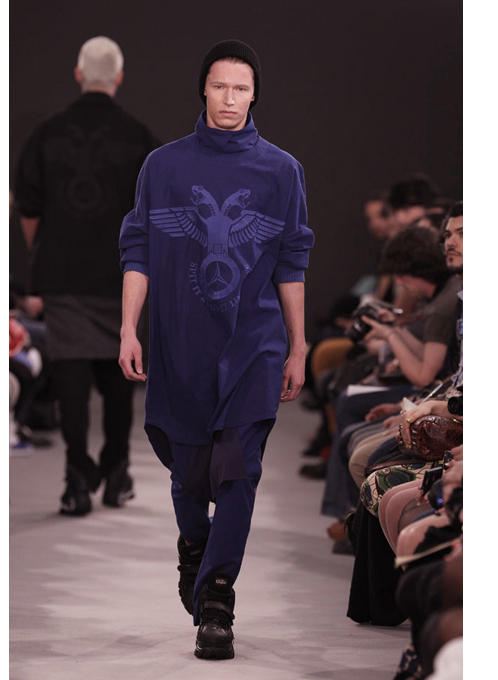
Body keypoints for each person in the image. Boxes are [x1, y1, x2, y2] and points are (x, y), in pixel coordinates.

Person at [118, 39, 314, 660]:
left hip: (255, 342)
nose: (230, 98)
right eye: (220, 86)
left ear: (255, 95)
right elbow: (138, 249)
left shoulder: (282, 170)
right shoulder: (163, 166)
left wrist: (298, 344)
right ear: (203, 88)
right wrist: (128, 328)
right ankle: (194, 545)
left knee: (240, 468)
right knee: (188, 474)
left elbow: (291, 261)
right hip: (181, 340)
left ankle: (218, 597)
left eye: (241, 88)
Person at [14, 36, 159, 516]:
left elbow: (28, 206)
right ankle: (117, 475)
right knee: (119, 380)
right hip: (122, 273)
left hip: (64, 274)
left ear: (79, 74)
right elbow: (156, 211)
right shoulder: (140, 137)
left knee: (71, 379)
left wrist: (42, 253)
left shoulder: (47, 133)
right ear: (119, 77)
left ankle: (77, 481)